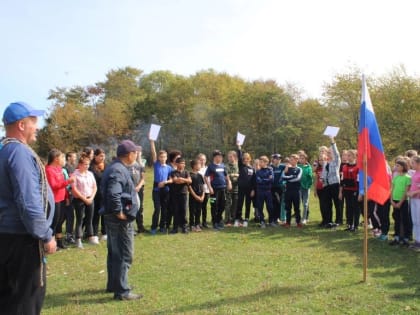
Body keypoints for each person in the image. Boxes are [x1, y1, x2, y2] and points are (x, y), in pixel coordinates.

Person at [0, 101, 57, 315]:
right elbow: (28, 201)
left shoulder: (3, 149)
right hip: (21, 242)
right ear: (21, 125)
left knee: (8, 301)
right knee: (25, 303)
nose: (38, 127)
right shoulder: (19, 152)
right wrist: (45, 235)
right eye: (34, 121)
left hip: (6, 238)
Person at [100, 139, 142, 301]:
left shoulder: (116, 167)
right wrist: (119, 213)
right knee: (124, 253)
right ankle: (122, 291)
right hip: (119, 220)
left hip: (114, 218)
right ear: (129, 154)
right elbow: (113, 193)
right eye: (135, 152)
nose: (137, 154)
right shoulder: (118, 170)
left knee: (114, 252)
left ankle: (114, 284)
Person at [46, 149, 74, 249]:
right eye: (62, 157)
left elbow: (63, 187)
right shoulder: (49, 169)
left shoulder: (59, 169)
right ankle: (50, 242)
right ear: (56, 158)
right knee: (54, 221)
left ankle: (59, 241)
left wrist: (66, 197)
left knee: (60, 220)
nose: (64, 159)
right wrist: (68, 181)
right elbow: (53, 185)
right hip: (54, 200)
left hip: (61, 198)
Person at [72, 153, 98, 248]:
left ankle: (90, 236)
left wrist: (91, 198)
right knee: (80, 219)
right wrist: (84, 199)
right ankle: (78, 238)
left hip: (90, 198)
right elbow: (74, 189)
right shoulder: (75, 174)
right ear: (80, 165)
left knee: (89, 218)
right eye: (85, 164)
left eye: (88, 164)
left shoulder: (90, 174)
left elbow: (95, 187)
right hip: (79, 199)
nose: (87, 166)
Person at [205, 150, 232, 230]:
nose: (221, 158)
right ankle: (214, 223)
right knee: (214, 206)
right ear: (215, 157)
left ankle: (219, 220)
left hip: (223, 189)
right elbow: (206, 177)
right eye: (219, 157)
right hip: (214, 190)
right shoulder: (211, 166)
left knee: (222, 205)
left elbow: (226, 175)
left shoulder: (223, 166)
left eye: (221, 157)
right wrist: (209, 187)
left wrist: (229, 182)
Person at [149, 139, 172, 234]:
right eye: (161, 157)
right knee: (157, 209)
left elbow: (171, 180)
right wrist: (152, 142)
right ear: (158, 158)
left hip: (166, 191)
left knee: (164, 210)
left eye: (164, 157)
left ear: (166, 158)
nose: (162, 158)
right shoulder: (156, 164)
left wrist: (165, 182)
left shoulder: (169, 168)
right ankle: (154, 227)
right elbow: (153, 153)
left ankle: (162, 227)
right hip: (156, 191)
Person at [389, 159, 412, 246]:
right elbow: (392, 189)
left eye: (397, 166)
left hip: (403, 201)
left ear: (403, 167)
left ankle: (406, 238)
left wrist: (400, 202)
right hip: (395, 200)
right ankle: (397, 237)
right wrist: (391, 200)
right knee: (397, 219)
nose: (395, 167)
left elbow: (406, 192)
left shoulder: (408, 178)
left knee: (405, 219)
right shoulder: (396, 177)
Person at [321, 136, 342, 227]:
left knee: (337, 203)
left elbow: (336, 153)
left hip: (335, 185)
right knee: (327, 204)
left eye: (330, 153)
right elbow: (324, 173)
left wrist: (332, 141)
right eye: (328, 153)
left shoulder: (336, 161)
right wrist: (322, 179)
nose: (329, 154)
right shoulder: (326, 163)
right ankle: (328, 220)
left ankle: (338, 220)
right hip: (327, 186)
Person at [338, 149, 360, 232]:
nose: (347, 157)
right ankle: (350, 224)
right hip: (346, 190)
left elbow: (359, 180)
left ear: (354, 156)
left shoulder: (358, 167)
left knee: (355, 208)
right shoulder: (344, 167)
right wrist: (340, 191)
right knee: (348, 207)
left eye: (349, 155)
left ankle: (355, 225)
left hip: (355, 190)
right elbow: (342, 180)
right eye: (347, 155)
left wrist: (359, 192)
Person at [235, 146, 255, 227]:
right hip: (241, 188)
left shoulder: (252, 168)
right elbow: (239, 157)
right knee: (239, 204)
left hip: (249, 190)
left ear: (250, 159)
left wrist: (253, 189)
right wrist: (239, 148)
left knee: (248, 204)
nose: (245, 160)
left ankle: (246, 219)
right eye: (244, 159)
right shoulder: (241, 166)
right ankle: (237, 219)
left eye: (247, 158)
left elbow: (254, 180)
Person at [169, 157, 191, 234]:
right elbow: (176, 181)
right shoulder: (173, 172)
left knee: (184, 210)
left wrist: (182, 179)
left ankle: (184, 227)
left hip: (184, 194)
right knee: (176, 210)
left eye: (184, 163)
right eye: (181, 163)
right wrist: (185, 180)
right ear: (177, 164)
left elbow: (189, 180)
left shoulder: (186, 172)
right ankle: (175, 228)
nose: (183, 165)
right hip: (175, 194)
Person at [90, 148, 107, 241]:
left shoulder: (107, 166)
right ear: (95, 156)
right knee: (96, 214)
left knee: (105, 213)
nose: (102, 157)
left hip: (106, 194)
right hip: (95, 194)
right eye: (100, 156)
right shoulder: (91, 167)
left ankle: (104, 232)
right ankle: (95, 234)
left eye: (103, 156)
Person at [282, 154, 303, 228]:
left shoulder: (299, 169)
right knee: (288, 208)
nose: (291, 161)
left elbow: (298, 178)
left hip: (296, 191)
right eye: (290, 159)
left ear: (297, 160)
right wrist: (289, 175)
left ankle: (298, 222)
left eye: (292, 159)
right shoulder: (287, 169)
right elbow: (283, 177)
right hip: (288, 191)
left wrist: (288, 179)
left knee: (297, 208)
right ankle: (288, 223)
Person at [254, 155, 274, 228]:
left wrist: (263, 180)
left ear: (266, 162)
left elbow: (272, 180)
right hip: (260, 191)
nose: (260, 163)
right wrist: (267, 179)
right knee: (260, 207)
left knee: (270, 207)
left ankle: (271, 221)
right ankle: (262, 221)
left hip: (268, 192)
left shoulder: (270, 170)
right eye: (259, 162)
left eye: (261, 162)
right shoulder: (258, 171)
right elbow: (258, 181)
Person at [64, 151, 77, 244]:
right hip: (68, 195)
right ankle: (68, 235)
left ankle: (69, 234)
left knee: (70, 216)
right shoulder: (65, 168)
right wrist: (68, 196)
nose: (75, 158)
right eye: (73, 157)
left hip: (72, 194)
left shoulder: (73, 167)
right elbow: (66, 182)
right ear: (68, 157)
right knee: (68, 216)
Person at [407, 156, 420, 251]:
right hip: (413, 199)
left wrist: (414, 193)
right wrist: (409, 192)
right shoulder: (415, 172)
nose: (411, 165)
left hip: (418, 199)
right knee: (414, 220)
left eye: (413, 163)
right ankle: (417, 240)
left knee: (419, 220)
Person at [189, 158, 205, 232]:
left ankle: (197, 224)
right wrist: (195, 196)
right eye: (199, 164)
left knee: (199, 210)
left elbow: (203, 186)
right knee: (192, 211)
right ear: (194, 166)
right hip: (193, 196)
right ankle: (192, 225)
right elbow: (189, 187)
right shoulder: (190, 175)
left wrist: (202, 196)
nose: (201, 165)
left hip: (200, 196)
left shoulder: (200, 175)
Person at [298, 152, 313, 224]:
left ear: (306, 159)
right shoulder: (298, 166)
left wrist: (308, 185)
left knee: (305, 203)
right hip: (299, 188)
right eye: (300, 158)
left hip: (306, 188)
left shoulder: (309, 167)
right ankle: (298, 218)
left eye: (302, 158)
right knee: (297, 203)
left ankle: (304, 218)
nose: (301, 160)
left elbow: (310, 178)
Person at [225, 150, 239, 226]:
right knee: (228, 204)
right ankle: (227, 220)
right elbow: (226, 175)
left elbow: (240, 175)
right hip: (228, 188)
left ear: (235, 157)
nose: (229, 158)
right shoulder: (226, 166)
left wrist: (235, 175)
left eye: (231, 156)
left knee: (235, 204)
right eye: (228, 157)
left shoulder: (238, 165)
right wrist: (235, 175)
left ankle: (233, 219)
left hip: (237, 188)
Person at [271, 153, 285, 226]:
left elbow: (289, 166)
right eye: (276, 159)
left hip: (280, 188)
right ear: (273, 159)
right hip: (272, 188)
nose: (278, 160)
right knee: (274, 203)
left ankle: (277, 217)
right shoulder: (270, 167)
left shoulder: (282, 166)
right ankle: (274, 218)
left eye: (279, 159)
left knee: (279, 203)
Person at [197, 153, 210, 228]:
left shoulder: (208, 168)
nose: (202, 161)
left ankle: (204, 222)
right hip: (199, 191)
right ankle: (197, 222)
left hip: (207, 191)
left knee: (204, 207)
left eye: (204, 159)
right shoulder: (197, 169)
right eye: (201, 159)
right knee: (199, 207)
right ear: (198, 160)